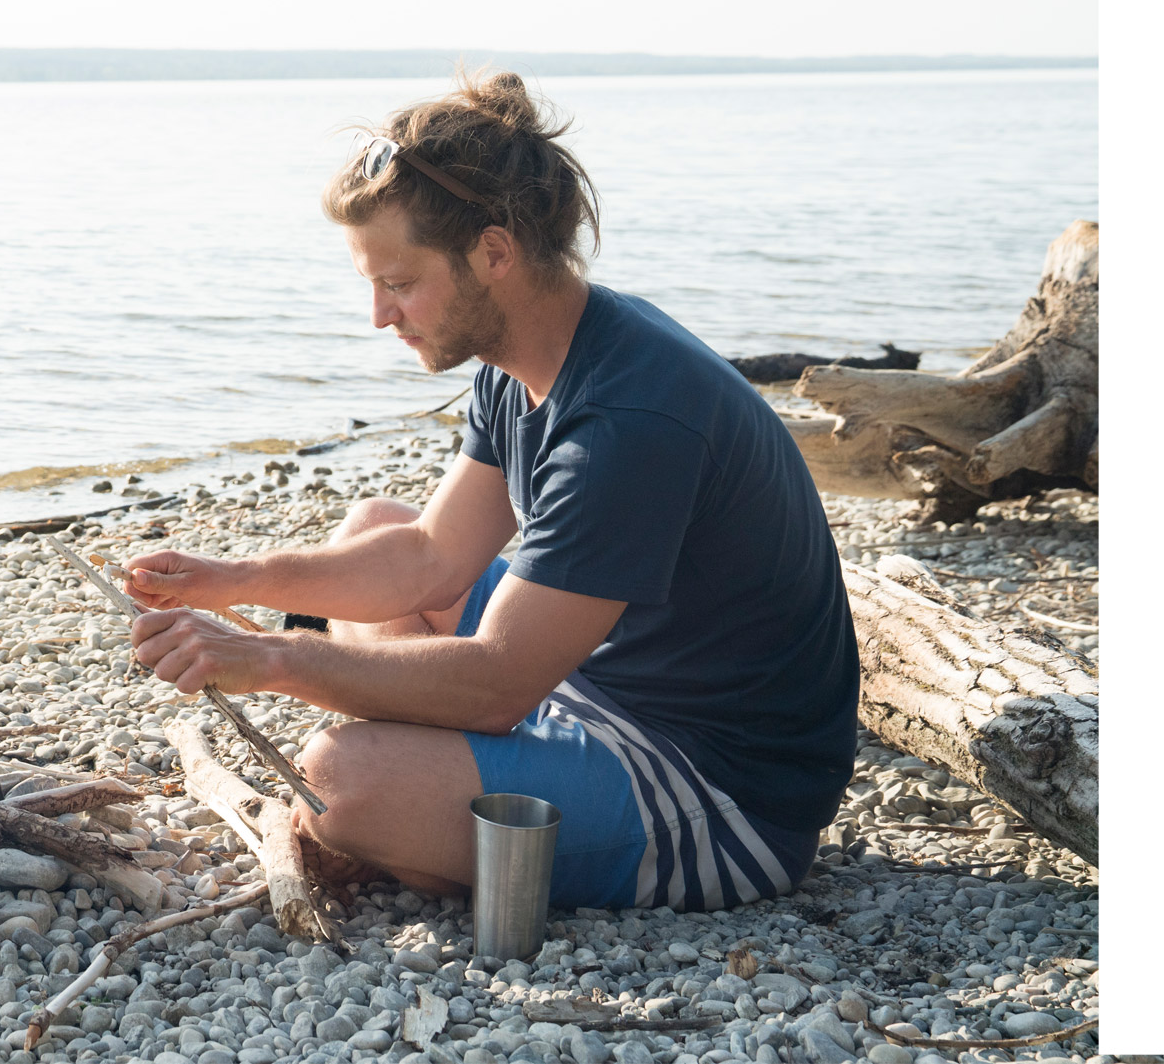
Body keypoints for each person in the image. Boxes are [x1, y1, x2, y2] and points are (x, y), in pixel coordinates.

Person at [122, 73, 858, 910]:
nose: (379, 315)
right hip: (594, 686)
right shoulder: (530, 359)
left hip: (717, 797)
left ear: (495, 253)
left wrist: (268, 659)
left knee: (338, 780)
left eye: (398, 283)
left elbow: (500, 681)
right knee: (375, 524)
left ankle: (420, 824)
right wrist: (233, 578)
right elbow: (429, 558)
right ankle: (440, 815)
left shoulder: (629, 418)